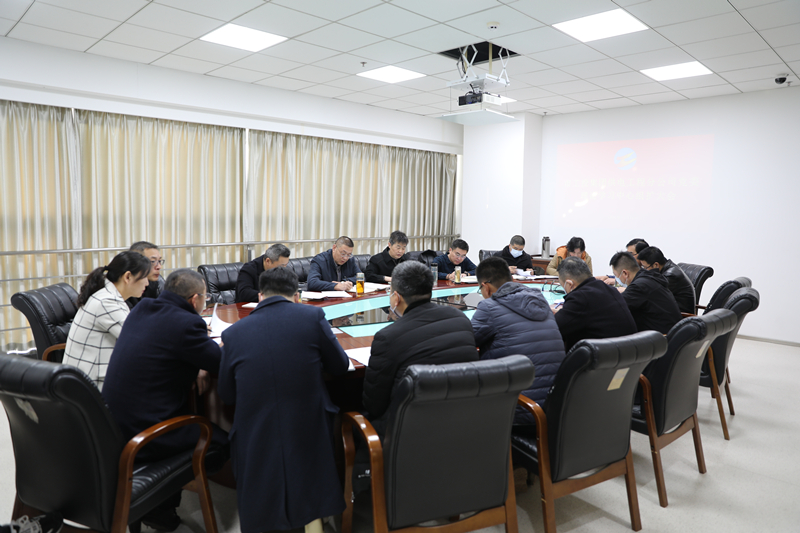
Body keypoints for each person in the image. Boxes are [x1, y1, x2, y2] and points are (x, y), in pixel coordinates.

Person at [219, 268, 348, 533]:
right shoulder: (312, 317)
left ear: (260, 296)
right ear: (297, 296)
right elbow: (339, 365)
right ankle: (315, 519)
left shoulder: (233, 334)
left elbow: (226, 394)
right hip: (309, 422)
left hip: (255, 430)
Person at [102, 269, 228, 531]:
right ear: (194, 300)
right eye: (205, 297)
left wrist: (195, 363)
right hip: (147, 433)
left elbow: (165, 348)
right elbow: (219, 361)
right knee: (221, 442)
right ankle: (160, 504)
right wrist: (202, 360)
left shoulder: (142, 308)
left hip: (112, 428)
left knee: (185, 412)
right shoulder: (187, 324)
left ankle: (160, 511)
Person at [362, 261, 478, 428]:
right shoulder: (460, 318)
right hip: (461, 422)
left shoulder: (388, 337)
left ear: (396, 297)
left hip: (407, 431)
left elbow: (374, 405)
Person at [471, 257, 565, 425]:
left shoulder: (488, 307)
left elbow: (467, 341)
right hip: (557, 407)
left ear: (486, 287)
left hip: (522, 410)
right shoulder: (540, 300)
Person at [62, 251, 151, 390]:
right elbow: (140, 341)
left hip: (89, 377)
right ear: (127, 277)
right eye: (144, 277)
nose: (147, 283)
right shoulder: (107, 302)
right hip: (89, 386)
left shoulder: (108, 295)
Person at [553, 257, 638, 352]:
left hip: (604, 357)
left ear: (569, 284)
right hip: (627, 353)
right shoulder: (609, 289)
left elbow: (554, 328)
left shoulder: (580, 297)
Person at [610, 251, 682, 334]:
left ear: (625, 273)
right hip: (671, 332)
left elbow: (615, 307)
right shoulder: (648, 277)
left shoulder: (639, 286)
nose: (617, 279)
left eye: (616, 275)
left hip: (662, 337)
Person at [637, 246, 696, 314]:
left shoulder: (670, 276)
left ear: (656, 265)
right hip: (668, 311)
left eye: (645, 267)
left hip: (680, 316)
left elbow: (652, 296)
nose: (644, 270)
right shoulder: (666, 269)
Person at [126, 241, 166, 309]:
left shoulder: (158, 282)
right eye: (153, 261)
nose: (159, 267)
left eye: (159, 261)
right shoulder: (124, 287)